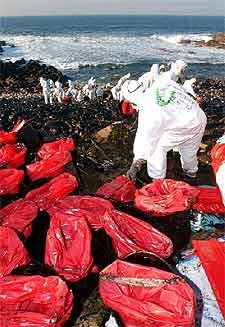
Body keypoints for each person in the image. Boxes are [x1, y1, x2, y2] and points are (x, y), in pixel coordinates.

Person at [126, 63, 207, 181]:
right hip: (199, 117)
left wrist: (137, 162)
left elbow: (145, 138)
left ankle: (157, 180)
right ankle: (191, 173)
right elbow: (172, 73)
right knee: (189, 151)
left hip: (184, 126)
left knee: (157, 147)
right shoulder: (160, 82)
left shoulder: (148, 111)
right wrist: (179, 66)